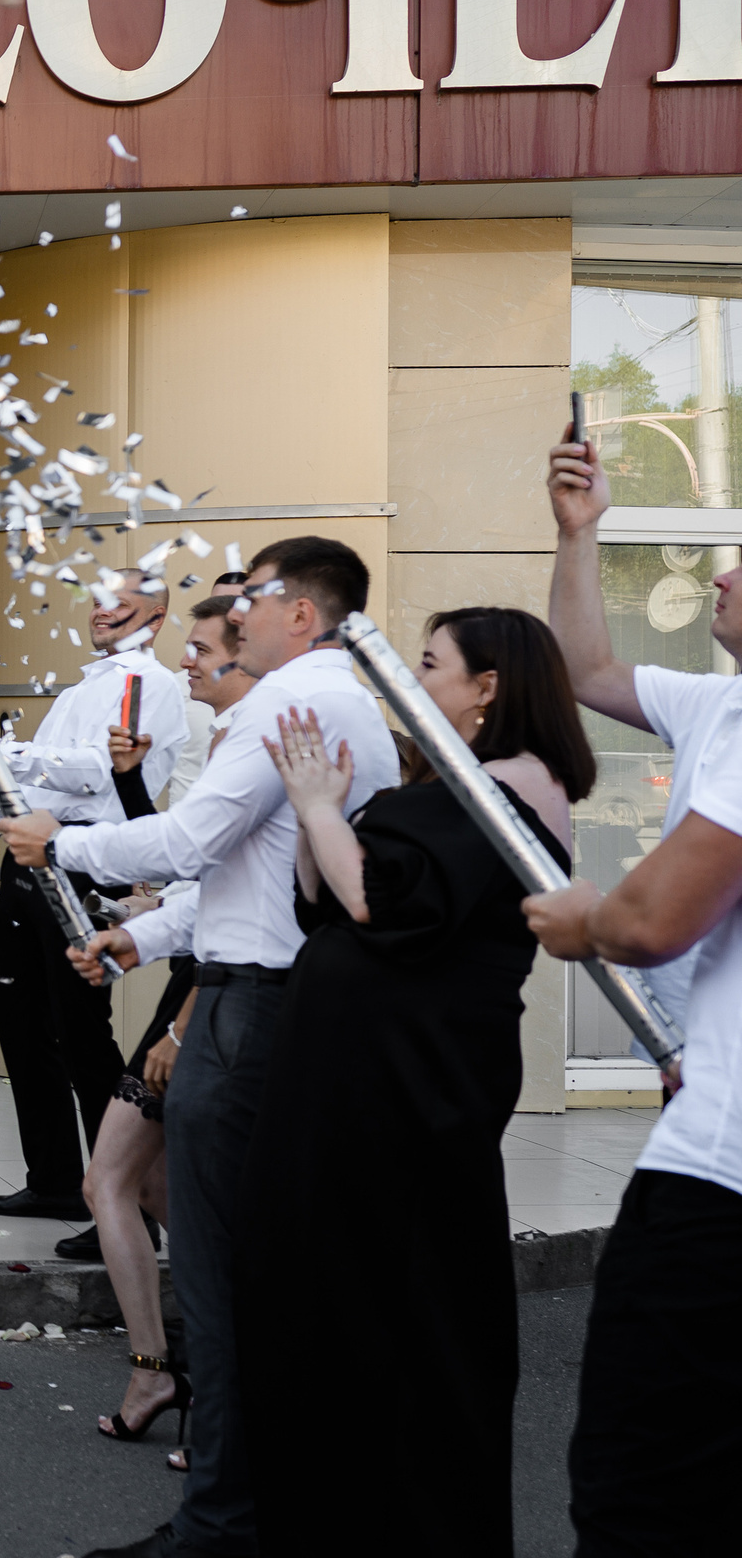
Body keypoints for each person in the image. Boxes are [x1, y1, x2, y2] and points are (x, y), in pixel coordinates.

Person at [0, 537, 398, 1558]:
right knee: (231, 1251)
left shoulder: (284, 704)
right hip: (256, 989)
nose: (226, 617)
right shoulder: (323, 700)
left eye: (250, 598)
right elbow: (244, 874)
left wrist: (64, 845)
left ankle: (224, 1521)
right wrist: (141, 936)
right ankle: (251, 1498)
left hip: (252, 1008)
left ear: (299, 612)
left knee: (220, 1274)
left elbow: (188, 844)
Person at [240, 607, 589, 1556]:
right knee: (332, 1300)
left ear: (489, 688)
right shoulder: (462, 783)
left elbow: (377, 904)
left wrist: (318, 803)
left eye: (429, 665)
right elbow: (333, 903)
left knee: (394, 1310)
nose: (410, 680)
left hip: (405, 1091)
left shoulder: (517, 788)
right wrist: (328, 806)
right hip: (364, 1083)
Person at [535, 425, 742, 1554]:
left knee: (641, 1485)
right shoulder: (718, 708)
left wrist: (585, 920)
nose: (719, 570)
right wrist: (581, 534)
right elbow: (585, 673)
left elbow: (656, 920)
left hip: (721, 1179)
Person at [62, 595, 255, 1452]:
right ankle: (173, 1367)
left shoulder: (261, 742)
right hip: (195, 976)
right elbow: (192, 875)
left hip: (215, 996)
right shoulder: (231, 739)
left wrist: (59, 846)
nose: (185, 662)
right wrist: (139, 931)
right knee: (129, 1183)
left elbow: (204, 876)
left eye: (201, 647)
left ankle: (204, 1373)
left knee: (129, 1183)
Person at [0, 576, 187, 1222]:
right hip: (32, 855)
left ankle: (119, 1198)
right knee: (22, 1023)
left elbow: (101, 770)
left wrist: (9, 760)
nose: (104, 611)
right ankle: (54, 1178)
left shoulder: (152, 685)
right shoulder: (84, 687)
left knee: (82, 1031)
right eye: (99, 598)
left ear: (157, 618)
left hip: (89, 861)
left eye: (125, 602)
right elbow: (53, 784)